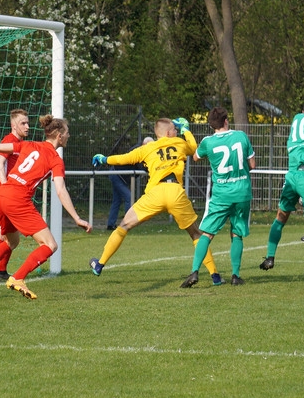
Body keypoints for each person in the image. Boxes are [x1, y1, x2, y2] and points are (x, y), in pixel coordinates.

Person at [0, 114, 92, 300]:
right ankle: (18, 278)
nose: (68, 136)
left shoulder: (29, 144)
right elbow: (61, 190)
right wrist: (77, 218)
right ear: (58, 136)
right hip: (18, 199)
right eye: (67, 133)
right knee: (50, 244)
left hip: (2, 194)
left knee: (11, 242)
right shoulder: (55, 159)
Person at [90, 120, 222, 284]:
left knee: (123, 226)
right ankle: (215, 276)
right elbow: (194, 148)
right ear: (168, 133)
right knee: (196, 234)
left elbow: (124, 159)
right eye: (175, 129)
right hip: (175, 192)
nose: (176, 131)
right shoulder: (179, 142)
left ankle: (100, 264)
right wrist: (186, 130)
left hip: (155, 194)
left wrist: (104, 159)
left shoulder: (147, 148)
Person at [181, 107, 255, 287]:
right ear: (226, 120)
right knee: (236, 233)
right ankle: (236, 276)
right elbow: (252, 164)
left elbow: (196, 157)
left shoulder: (208, 142)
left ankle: (194, 272)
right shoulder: (241, 136)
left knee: (206, 233)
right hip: (242, 192)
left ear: (211, 124)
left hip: (221, 194)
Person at [259, 100, 304, 273]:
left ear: (301, 111)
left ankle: (270, 256)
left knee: (281, 215)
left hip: (291, 175)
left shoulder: (296, 119)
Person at [0, 109, 31, 282]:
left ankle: (2, 271)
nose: (27, 126)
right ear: (13, 125)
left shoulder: (22, 143)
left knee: (11, 233)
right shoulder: (9, 140)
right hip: (0, 190)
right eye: (23, 123)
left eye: (27, 122)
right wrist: (5, 187)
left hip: (11, 192)